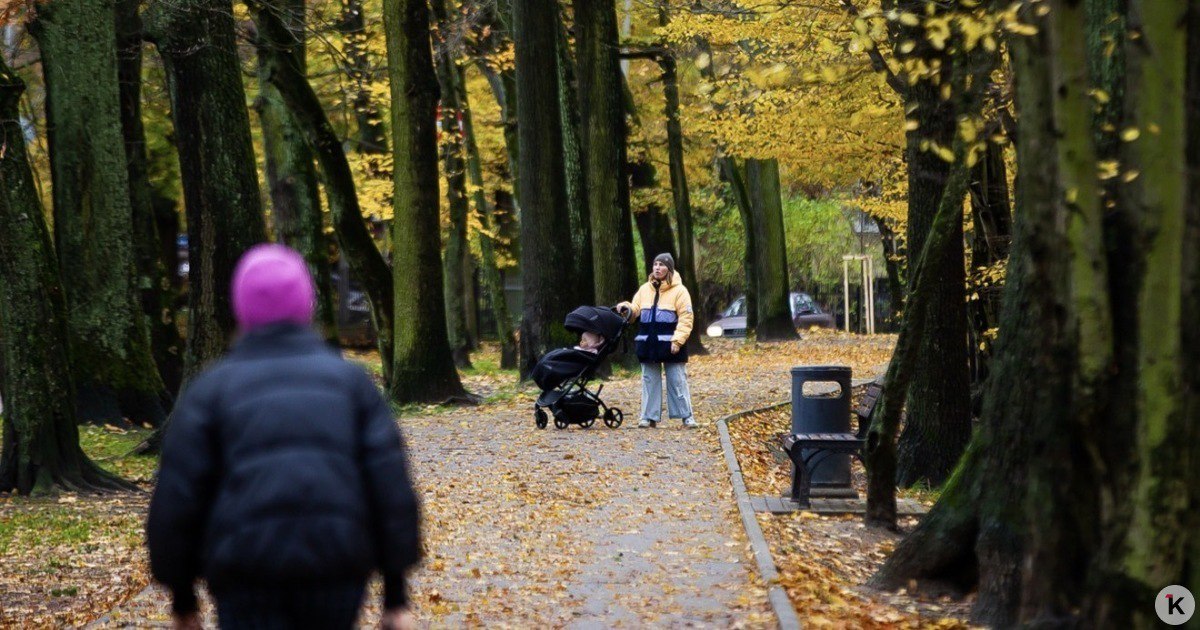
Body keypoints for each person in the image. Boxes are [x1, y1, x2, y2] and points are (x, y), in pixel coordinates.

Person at [146, 244, 420, 630]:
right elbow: (389, 486)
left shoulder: (210, 391)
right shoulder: (352, 385)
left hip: (246, 574)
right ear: (306, 306)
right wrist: (395, 595)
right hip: (334, 570)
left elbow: (179, 495)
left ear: (241, 308)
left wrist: (182, 597)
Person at [616, 253, 697, 428]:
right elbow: (635, 309)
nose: (657, 268)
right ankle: (648, 416)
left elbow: (686, 318)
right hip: (648, 344)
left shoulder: (680, 291)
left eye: (661, 264)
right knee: (649, 381)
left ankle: (686, 416)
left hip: (671, 344)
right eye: (655, 264)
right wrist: (626, 308)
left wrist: (678, 341)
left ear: (669, 268)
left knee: (677, 380)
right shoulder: (645, 289)